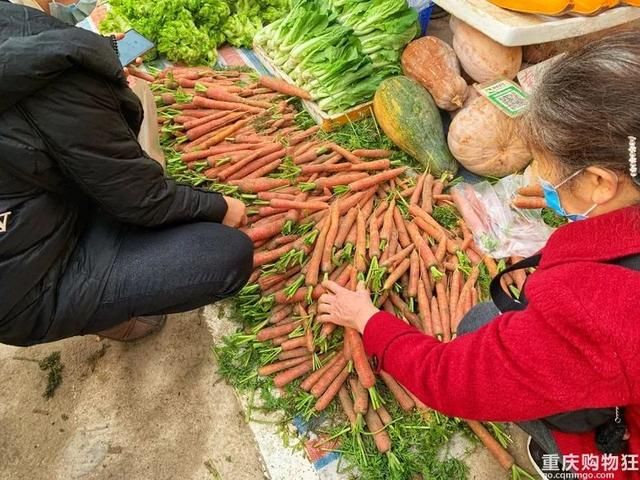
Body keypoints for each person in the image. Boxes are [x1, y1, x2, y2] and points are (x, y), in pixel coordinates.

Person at [318, 32, 640, 479]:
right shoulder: (622, 196)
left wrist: (369, 321)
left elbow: (448, 379)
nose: (534, 172)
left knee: (476, 327)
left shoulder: (597, 305)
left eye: (541, 161)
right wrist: (565, 202)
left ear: (601, 183)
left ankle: (588, 467)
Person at [0, 1, 253, 346]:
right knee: (225, 254)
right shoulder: (59, 82)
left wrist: (98, 54)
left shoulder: (20, 37)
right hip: (25, 290)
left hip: (31, 219)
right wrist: (221, 206)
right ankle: (105, 314)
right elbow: (143, 201)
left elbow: (42, 63)